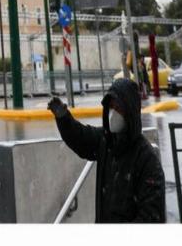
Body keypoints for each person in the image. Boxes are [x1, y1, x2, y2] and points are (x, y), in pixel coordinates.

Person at [47, 78, 166, 222]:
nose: (113, 114)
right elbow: (81, 137)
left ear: (130, 112)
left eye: (118, 109)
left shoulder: (146, 159)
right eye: (111, 107)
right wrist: (64, 118)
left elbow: (151, 217)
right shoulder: (106, 141)